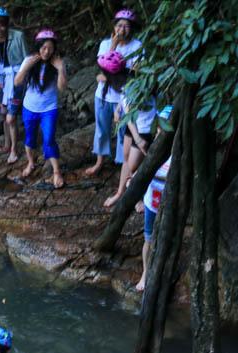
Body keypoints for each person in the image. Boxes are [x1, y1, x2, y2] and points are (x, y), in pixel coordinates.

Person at [84, 9, 143, 177]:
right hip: (103, 95)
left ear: (131, 28)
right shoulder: (105, 44)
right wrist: (113, 46)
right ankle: (100, 161)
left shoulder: (137, 46)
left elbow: (137, 71)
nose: (122, 30)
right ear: (114, 27)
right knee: (101, 129)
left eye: (126, 26)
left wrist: (116, 68)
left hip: (124, 97)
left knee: (123, 130)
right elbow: (103, 67)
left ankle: (121, 163)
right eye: (119, 26)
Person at [14, 29, 68, 188]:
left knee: (49, 138)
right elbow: (17, 82)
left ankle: (56, 171)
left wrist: (60, 69)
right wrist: (26, 67)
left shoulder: (57, 63)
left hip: (49, 108)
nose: (46, 52)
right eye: (43, 48)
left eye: (50, 48)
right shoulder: (30, 60)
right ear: (38, 46)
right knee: (29, 138)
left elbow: (62, 87)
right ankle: (31, 163)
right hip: (29, 107)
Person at [0, 7, 28, 163]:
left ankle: (14, 150)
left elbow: (27, 60)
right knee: (3, 114)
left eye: (2, 25)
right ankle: (6, 145)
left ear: (7, 24)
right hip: (2, 78)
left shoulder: (18, 36)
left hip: (17, 77)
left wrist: (25, 82)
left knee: (11, 117)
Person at [104, 83, 158, 208]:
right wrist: (119, 106)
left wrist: (138, 139)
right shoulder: (128, 77)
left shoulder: (144, 76)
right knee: (126, 158)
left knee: (135, 166)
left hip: (145, 124)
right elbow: (125, 97)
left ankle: (140, 198)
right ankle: (120, 193)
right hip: (135, 119)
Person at [137, 106, 173, 292]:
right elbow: (145, 174)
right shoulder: (154, 148)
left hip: (169, 204)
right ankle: (145, 272)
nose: (160, 131)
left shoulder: (178, 153)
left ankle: (160, 273)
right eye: (159, 127)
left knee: (165, 238)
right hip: (152, 201)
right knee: (149, 239)